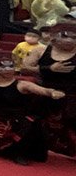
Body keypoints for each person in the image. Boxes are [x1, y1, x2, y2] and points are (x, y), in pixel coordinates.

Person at [0, 57, 64, 165]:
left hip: (21, 122)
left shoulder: (23, 85)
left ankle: (20, 153)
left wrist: (53, 93)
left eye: (11, 66)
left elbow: (44, 91)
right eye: (3, 66)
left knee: (27, 129)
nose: (8, 69)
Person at [25, 20, 76, 157]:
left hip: (72, 95)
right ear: (54, 37)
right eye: (65, 36)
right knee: (35, 121)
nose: (70, 41)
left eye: (74, 37)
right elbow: (24, 67)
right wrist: (48, 68)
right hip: (45, 92)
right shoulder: (41, 50)